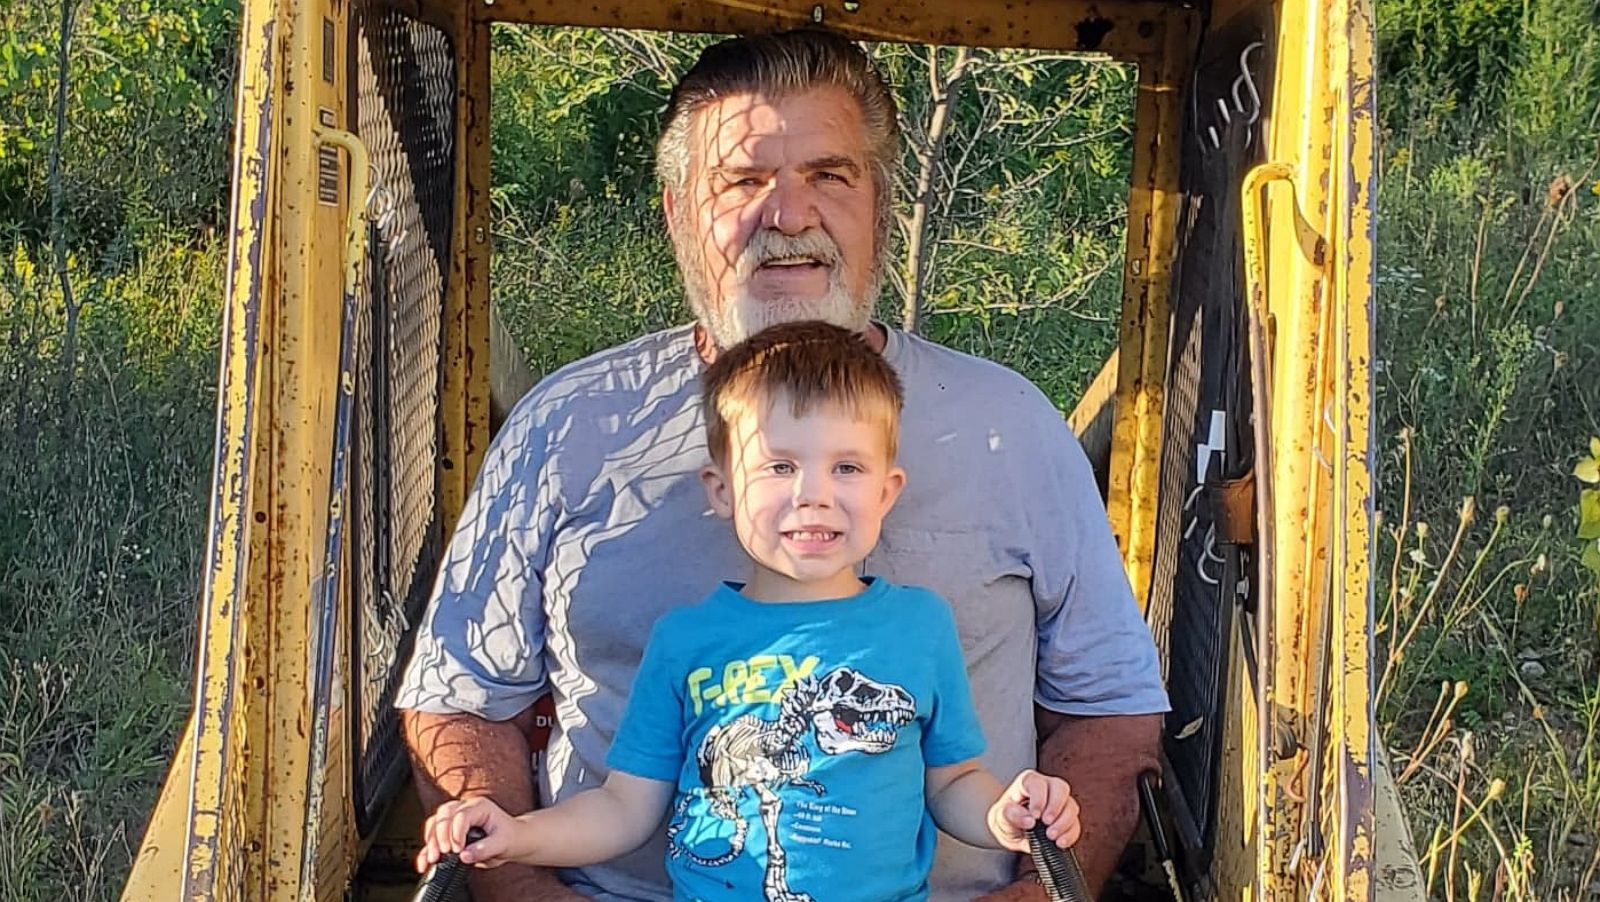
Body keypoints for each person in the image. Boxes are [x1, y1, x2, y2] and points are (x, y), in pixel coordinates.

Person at [397, 28, 1167, 902]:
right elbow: (458, 696)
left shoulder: (1011, 428)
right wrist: (527, 893)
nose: (789, 215)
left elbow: (1109, 710)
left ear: (878, 202)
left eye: (830, 176)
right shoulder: (566, 427)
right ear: (679, 213)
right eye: (744, 181)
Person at [415, 322, 1083, 901]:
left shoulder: (919, 627)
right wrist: (515, 835)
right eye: (780, 467)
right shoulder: (685, 641)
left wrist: (1005, 813)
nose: (814, 496)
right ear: (723, 490)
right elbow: (623, 807)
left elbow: (954, 782)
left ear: (888, 490)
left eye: (847, 468)